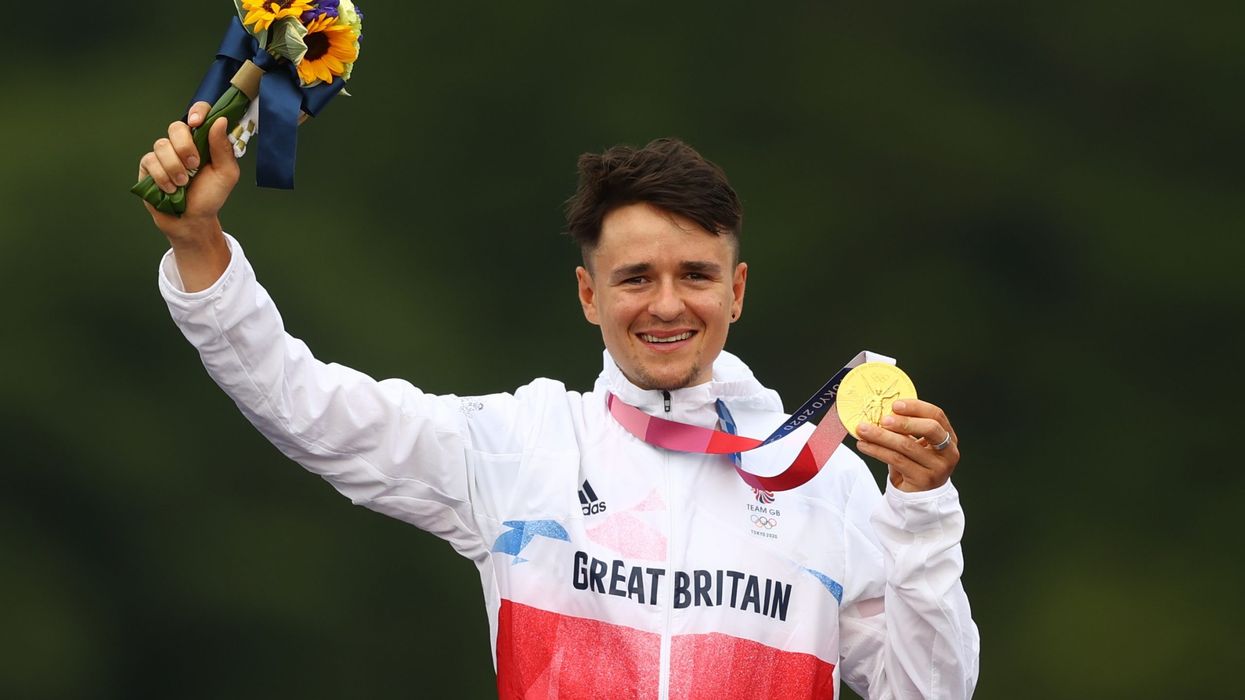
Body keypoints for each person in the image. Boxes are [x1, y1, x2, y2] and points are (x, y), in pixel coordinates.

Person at [138, 102, 980, 699]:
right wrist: (198, 243)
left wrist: (921, 512)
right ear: (587, 294)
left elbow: (929, 692)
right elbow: (305, 405)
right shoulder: (520, 446)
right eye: (635, 278)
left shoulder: (819, 479)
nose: (666, 305)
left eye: (695, 275)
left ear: (736, 291)